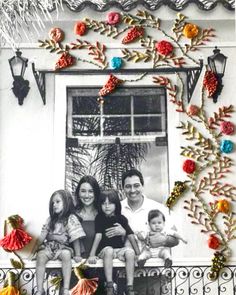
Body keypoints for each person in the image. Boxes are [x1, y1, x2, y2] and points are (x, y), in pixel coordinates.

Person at [88, 189, 141, 295]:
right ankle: (109, 285)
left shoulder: (122, 219)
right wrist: (92, 255)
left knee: (130, 252)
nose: (107, 206)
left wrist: (138, 253)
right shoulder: (99, 218)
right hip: (105, 250)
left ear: (116, 204)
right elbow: (98, 236)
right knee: (109, 250)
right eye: (104, 203)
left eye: (110, 203)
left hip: (119, 250)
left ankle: (129, 286)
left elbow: (130, 235)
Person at [33, 190, 85, 295]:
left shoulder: (71, 219)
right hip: (49, 247)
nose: (54, 205)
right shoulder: (50, 220)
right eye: (53, 203)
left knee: (66, 255)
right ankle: (40, 289)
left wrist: (78, 254)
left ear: (66, 202)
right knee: (41, 256)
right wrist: (33, 251)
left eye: (57, 202)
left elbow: (75, 237)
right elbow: (42, 236)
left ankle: (65, 288)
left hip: (63, 248)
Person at [120, 168, 179, 254]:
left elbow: (176, 240)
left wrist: (164, 240)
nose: (132, 190)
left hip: (152, 265)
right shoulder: (117, 208)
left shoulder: (157, 208)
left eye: (136, 185)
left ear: (142, 186)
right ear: (123, 189)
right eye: (128, 186)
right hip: (123, 265)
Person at [74, 175, 100, 258]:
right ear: (78, 192)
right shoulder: (72, 214)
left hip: (100, 264)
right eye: (83, 191)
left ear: (96, 193)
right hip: (77, 265)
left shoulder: (103, 214)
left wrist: (123, 232)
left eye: (91, 191)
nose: (87, 195)